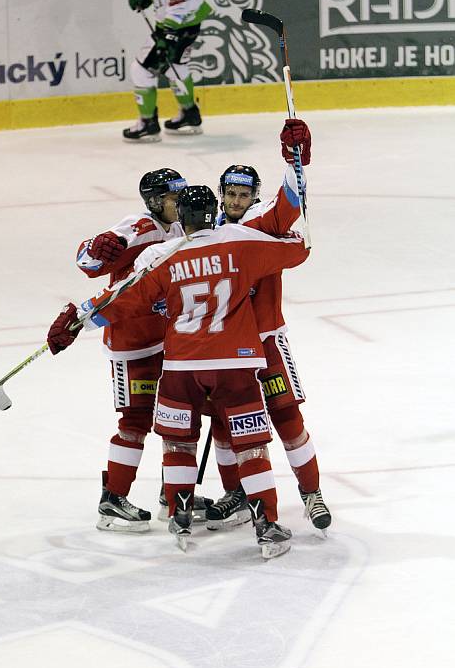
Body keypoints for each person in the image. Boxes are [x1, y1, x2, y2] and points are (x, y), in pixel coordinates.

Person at [48, 186, 311, 559]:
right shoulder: (238, 240)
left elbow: (122, 298)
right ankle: (266, 525)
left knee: (179, 443)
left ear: (182, 217)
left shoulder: (162, 255)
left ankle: (180, 514)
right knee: (250, 447)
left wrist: (75, 322)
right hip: (235, 365)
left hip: (181, 367)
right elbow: (297, 249)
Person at [205, 118, 332, 534]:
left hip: (266, 342)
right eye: (231, 193)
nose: (237, 200)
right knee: (224, 427)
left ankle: (311, 492)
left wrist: (295, 162)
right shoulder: (205, 232)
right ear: (221, 194)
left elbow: (288, 208)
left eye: (244, 194)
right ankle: (237, 494)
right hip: (222, 350)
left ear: (253, 197)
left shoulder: (263, 223)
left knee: (287, 418)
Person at [73, 167, 211, 532]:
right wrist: (96, 250)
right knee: (135, 421)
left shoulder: (181, 229)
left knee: (176, 418)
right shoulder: (139, 229)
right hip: (131, 345)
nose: (179, 203)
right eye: (172, 197)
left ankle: (174, 491)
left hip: (169, 341)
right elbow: (87, 262)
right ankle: (113, 499)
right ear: (154, 201)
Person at [123, 0, 211, 142]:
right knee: (178, 67)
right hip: (190, 21)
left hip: (178, 24)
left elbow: (177, 1)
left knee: (141, 70)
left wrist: (168, 34)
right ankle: (190, 115)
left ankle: (147, 124)